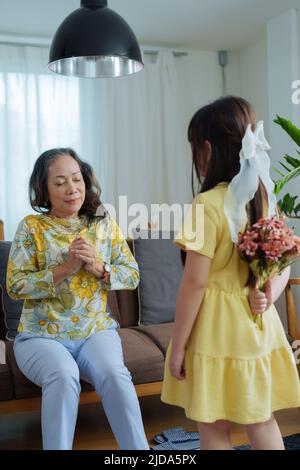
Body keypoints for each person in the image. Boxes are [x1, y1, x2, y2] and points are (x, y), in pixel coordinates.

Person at [161, 96, 300, 450]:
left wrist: (177, 347)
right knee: (262, 419)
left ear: (207, 149)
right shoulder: (264, 196)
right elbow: (285, 259)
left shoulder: (206, 205)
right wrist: (270, 293)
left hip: (215, 332)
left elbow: (194, 284)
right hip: (258, 327)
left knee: (213, 426)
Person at [7, 148, 149, 450]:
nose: (71, 189)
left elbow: (132, 275)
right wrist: (65, 269)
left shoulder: (102, 224)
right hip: (40, 337)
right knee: (63, 374)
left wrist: (99, 267)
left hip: (95, 332)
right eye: (60, 182)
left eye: (76, 179)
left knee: (114, 374)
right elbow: (15, 285)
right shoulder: (31, 227)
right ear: (43, 189)